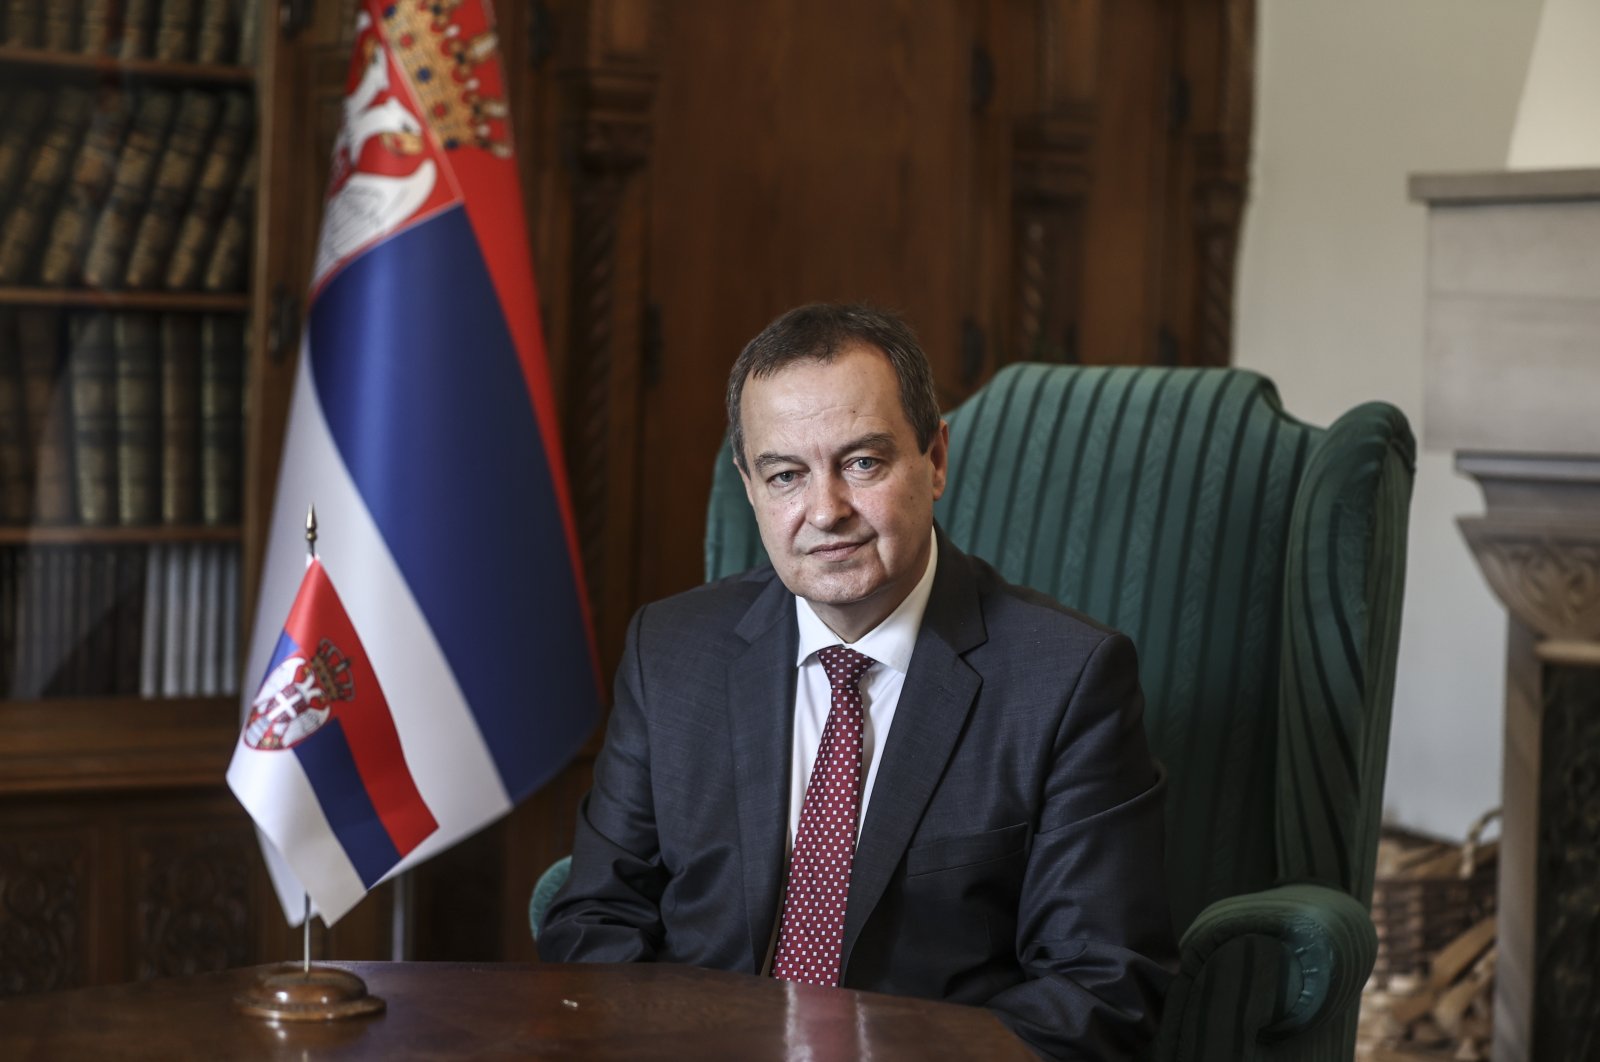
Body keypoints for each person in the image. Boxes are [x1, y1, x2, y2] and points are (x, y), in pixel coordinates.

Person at [539, 303, 1175, 1059]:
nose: (826, 511)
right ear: (749, 486)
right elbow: (596, 921)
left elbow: (1097, 991)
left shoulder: (1067, 680)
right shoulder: (671, 650)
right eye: (785, 475)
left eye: (863, 463)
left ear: (935, 460)